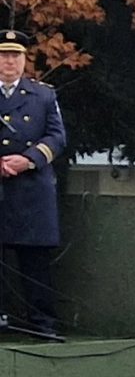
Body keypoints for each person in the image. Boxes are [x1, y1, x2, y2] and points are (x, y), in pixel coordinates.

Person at [0, 29, 68, 337]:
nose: (9, 61)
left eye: (15, 55)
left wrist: (27, 160)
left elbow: (56, 137)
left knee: (35, 264)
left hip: (31, 189)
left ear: (25, 60)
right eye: (4, 55)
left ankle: (42, 324)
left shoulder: (44, 95)